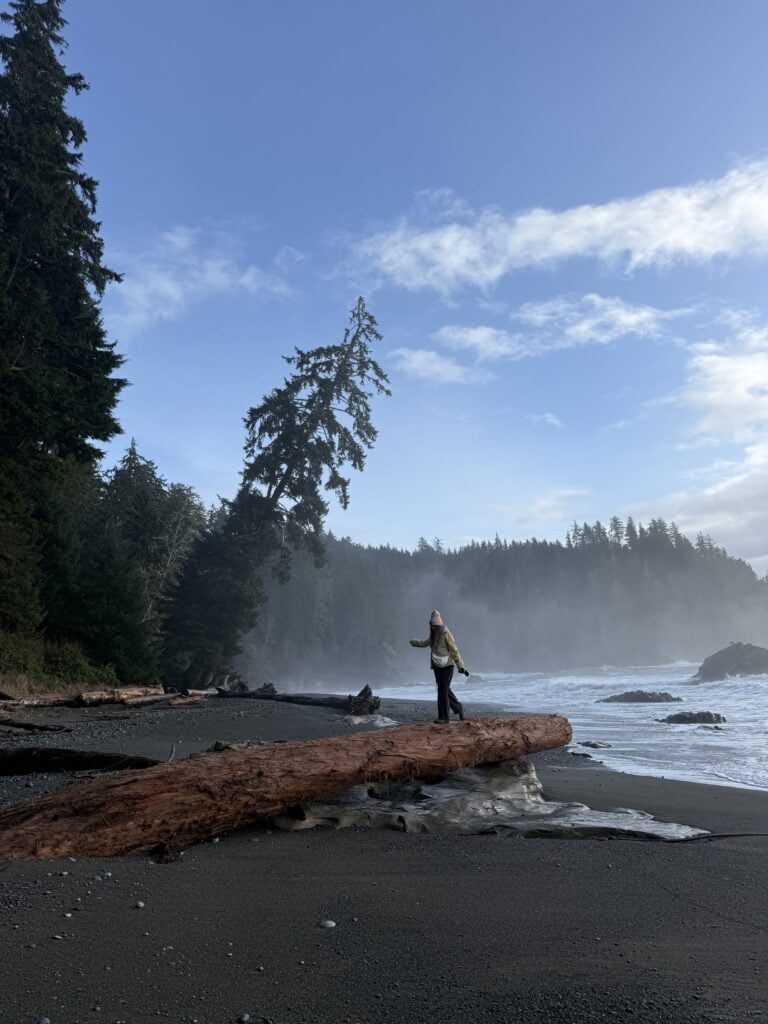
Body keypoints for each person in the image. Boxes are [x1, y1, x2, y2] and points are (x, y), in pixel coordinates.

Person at [409, 609, 469, 723]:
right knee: (444, 689)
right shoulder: (434, 634)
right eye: (432, 625)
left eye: (435, 625)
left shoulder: (447, 634)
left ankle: (444, 717)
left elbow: (454, 650)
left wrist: (460, 665)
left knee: (442, 691)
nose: (433, 627)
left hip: (447, 666)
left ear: (439, 624)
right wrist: (414, 642)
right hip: (437, 666)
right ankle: (458, 708)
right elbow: (426, 643)